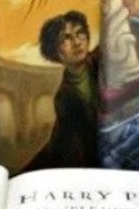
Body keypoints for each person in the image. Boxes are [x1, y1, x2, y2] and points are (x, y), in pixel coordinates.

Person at [23, 10, 99, 170]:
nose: (77, 42)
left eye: (80, 33)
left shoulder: (102, 59)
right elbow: (72, 146)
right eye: (67, 38)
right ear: (55, 51)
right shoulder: (64, 98)